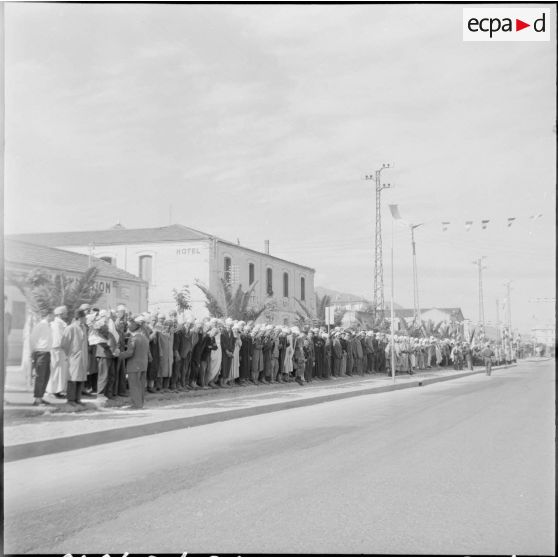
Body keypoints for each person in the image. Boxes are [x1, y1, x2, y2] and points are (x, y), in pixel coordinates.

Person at [118, 316, 151, 409]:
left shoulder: (133, 338)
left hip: (134, 365)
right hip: (143, 365)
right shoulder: (144, 337)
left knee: (134, 385)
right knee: (140, 386)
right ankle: (140, 404)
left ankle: (136, 405)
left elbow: (130, 352)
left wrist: (119, 355)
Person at [61, 309, 89, 407]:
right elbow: (64, 344)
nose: (86, 319)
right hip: (73, 357)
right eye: (84, 317)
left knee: (80, 378)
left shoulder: (84, 328)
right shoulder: (70, 328)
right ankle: (70, 399)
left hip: (82, 357)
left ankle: (78, 399)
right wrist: (69, 354)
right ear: (80, 318)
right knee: (72, 378)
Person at [30, 308, 54, 406]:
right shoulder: (40, 325)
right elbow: (32, 339)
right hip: (40, 352)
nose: (54, 317)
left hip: (47, 352)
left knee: (46, 376)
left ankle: (41, 397)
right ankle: (37, 400)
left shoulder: (49, 326)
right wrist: (34, 353)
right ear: (48, 315)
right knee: (40, 376)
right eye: (52, 315)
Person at [46, 305, 70, 399]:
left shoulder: (60, 323)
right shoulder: (56, 324)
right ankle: (53, 391)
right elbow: (59, 338)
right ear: (61, 314)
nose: (66, 314)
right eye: (65, 313)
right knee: (56, 370)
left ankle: (58, 390)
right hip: (57, 349)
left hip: (60, 349)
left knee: (60, 371)